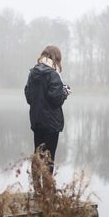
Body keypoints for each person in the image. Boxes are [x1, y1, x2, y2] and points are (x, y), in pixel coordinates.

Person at [24, 45, 71, 192]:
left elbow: (29, 96)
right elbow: (56, 99)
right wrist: (65, 92)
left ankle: (37, 189)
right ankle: (48, 192)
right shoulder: (53, 75)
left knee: (38, 155)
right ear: (55, 58)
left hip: (37, 121)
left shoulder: (33, 73)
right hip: (51, 124)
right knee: (49, 157)